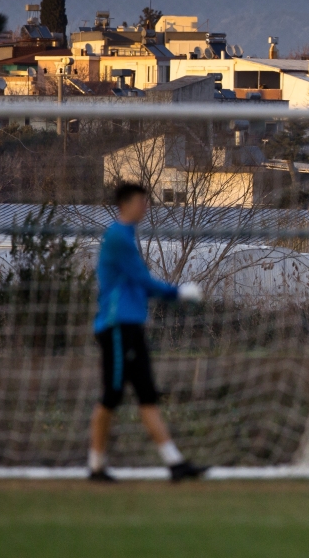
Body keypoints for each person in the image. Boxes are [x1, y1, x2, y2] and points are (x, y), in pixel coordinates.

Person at [88, 181, 208, 483]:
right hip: (116, 327)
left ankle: (175, 463)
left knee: (147, 394)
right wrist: (179, 293)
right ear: (126, 203)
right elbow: (143, 281)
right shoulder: (117, 236)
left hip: (131, 327)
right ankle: (96, 465)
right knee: (112, 396)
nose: (146, 207)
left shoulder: (128, 235)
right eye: (143, 201)